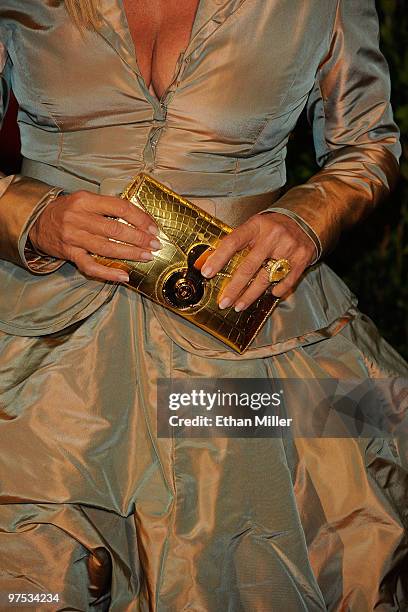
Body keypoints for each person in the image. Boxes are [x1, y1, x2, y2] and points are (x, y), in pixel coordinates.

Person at [0, 1, 407, 610]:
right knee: (30, 581)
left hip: (254, 340)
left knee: (246, 561)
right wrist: (30, 214)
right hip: (38, 343)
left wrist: (305, 219)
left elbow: (370, 143)